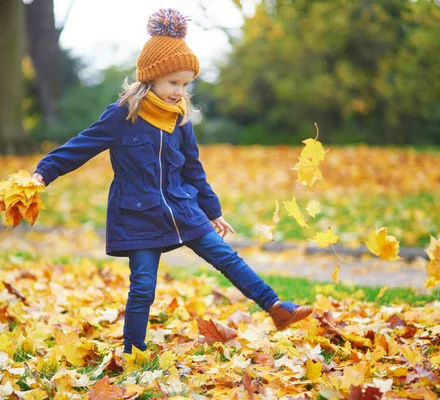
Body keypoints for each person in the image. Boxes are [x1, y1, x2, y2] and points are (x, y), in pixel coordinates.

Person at [32, 8, 313, 354]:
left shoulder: (180, 120)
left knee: (226, 257)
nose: (180, 91)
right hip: (138, 213)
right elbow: (80, 147)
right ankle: (133, 351)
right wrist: (43, 173)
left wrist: (211, 209)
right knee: (143, 286)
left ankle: (276, 308)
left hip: (182, 207)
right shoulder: (123, 114)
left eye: (185, 84)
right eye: (173, 83)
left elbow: (193, 168)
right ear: (150, 78)